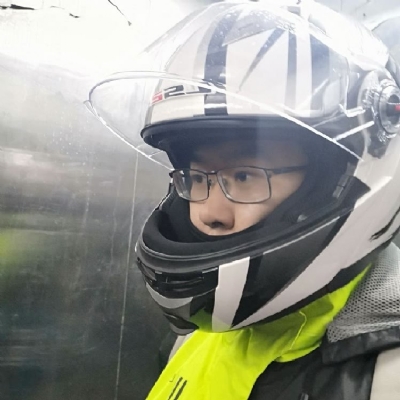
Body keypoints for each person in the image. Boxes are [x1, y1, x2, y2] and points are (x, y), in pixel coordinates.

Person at [89, 1, 400, 399]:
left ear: (340, 179)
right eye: (195, 178)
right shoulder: (199, 336)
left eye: (244, 176)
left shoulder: (384, 376)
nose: (209, 213)